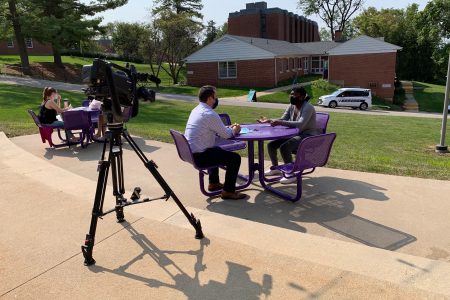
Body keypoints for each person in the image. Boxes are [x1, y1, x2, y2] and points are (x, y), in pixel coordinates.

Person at [185, 85, 248, 200]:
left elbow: (215, 129)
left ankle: (213, 183)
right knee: (235, 159)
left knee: (216, 150)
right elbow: (227, 135)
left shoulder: (196, 110)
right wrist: (235, 129)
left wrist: (228, 128)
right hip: (200, 156)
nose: (216, 100)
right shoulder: (209, 114)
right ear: (209, 98)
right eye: (215, 97)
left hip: (191, 153)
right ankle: (228, 191)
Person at [259, 86, 321, 184]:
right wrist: (269, 120)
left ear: (301, 97)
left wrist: (280, 122)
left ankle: (290, 174)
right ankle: (276, 169)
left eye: (294, 95)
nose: (291, 96)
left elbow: (301, 124)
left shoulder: (308, 107)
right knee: (271, 145)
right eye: (291, 94)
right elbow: (283, 118)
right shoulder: (292, 105)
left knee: (285, 147)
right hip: (296, 134)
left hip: (307, 136)